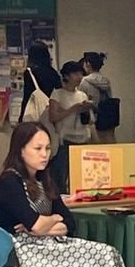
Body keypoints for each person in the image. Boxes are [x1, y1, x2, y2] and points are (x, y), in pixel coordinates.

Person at [0, 122, 135, 267]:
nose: (44, 154)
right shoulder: (10, 182)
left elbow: (68, 223)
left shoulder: (44, 178)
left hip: (47, 243)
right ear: (21, 150)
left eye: (47, 148)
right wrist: (54, 219)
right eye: (38, 148)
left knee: (104, 256)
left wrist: (48, 225)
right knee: (97, 266)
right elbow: (36, 225)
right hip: (23, 252)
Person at [46, 60, 94, 193]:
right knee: (60, 178)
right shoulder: (57, 94)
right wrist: (73, 109)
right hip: (65, 140)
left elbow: (89, 121)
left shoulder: (82, 95)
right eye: (75, 73)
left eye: (81, 74)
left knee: (81, 177)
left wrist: (86, 110)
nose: (79, 77)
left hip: (82, 138)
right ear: (66, 76)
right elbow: (53, 117)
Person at [19, 40, 62, 121]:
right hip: (50, 111)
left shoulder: (29, 73)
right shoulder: (53, 72)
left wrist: (21, 117)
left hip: (35, 111)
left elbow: (27, 96)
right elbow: (59, 92)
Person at [79, 51, 115, 143]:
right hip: (108, 117)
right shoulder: (106, 81)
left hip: (94, 120)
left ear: (88, 64)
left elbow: (80, 100)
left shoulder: (84, 81)